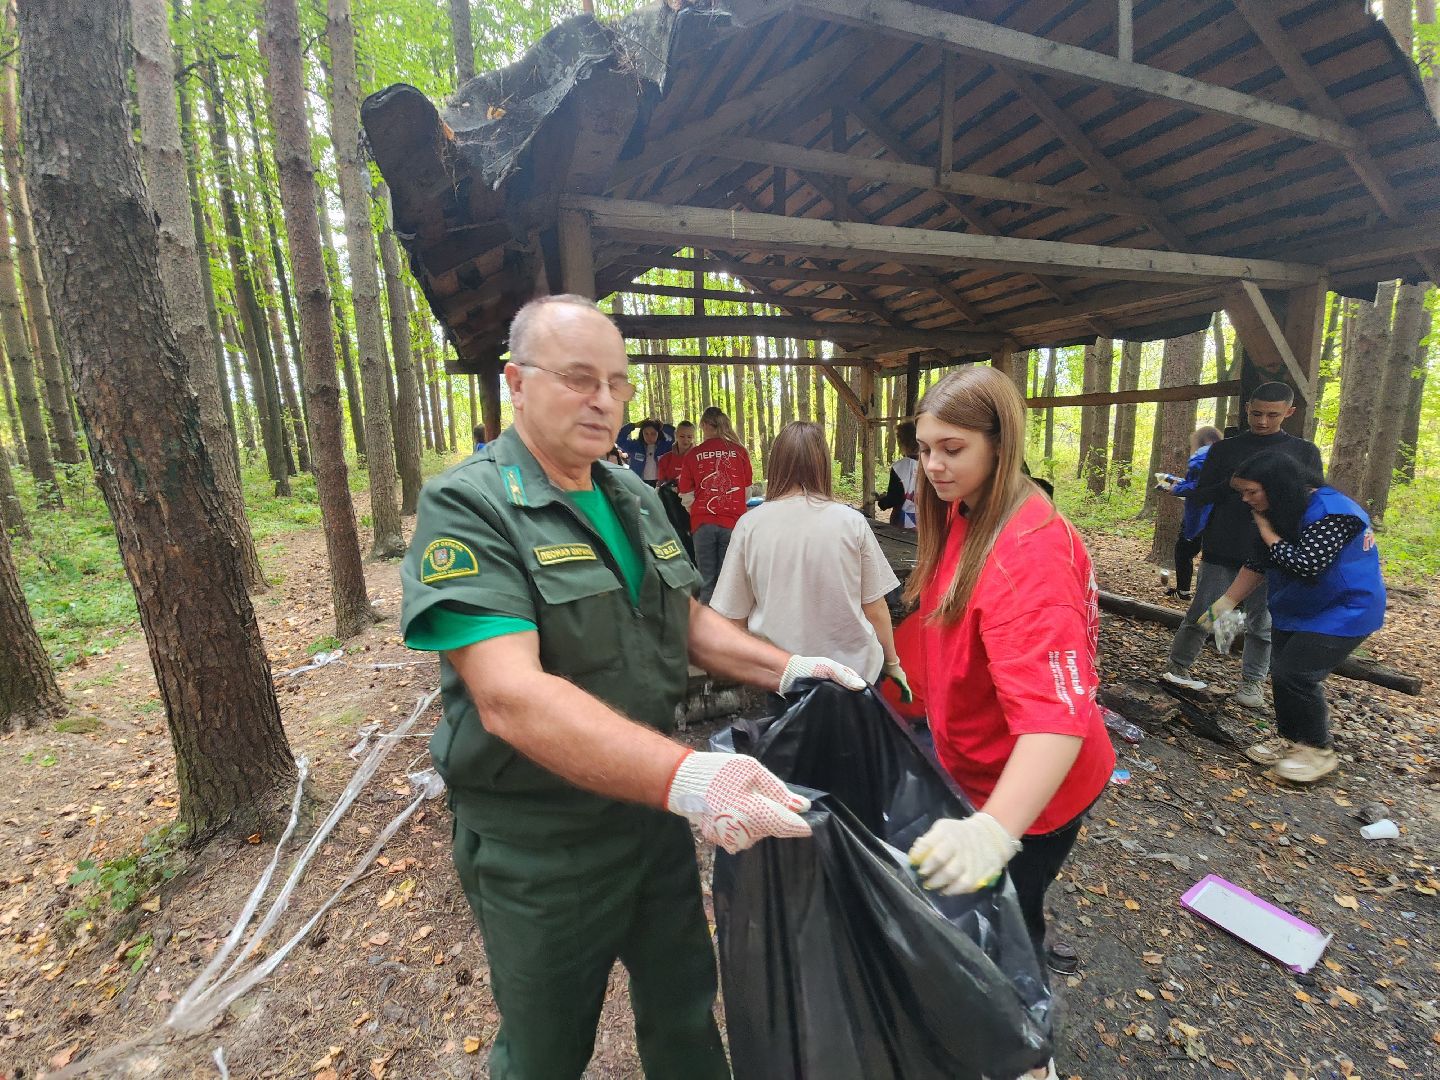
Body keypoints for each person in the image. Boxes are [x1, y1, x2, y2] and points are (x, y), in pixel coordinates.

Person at [400, 294, 865, 1079]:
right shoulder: (470, 505)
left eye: (617, 383)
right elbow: (509, 696)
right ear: (516, 381)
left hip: (651, 817)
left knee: (686, 1013)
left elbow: (683, 618)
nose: (604, 401)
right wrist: (691, 776)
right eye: (579, 378)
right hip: (539, 841)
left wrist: (785, 666)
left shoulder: (633, 496)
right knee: (545, 1051)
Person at [901, 367, 1114, 1080]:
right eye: (924, 448)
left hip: (1032, 790)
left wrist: (994, 831)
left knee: (1006, 930)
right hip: (976, 762)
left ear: (1001, 442)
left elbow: (1058, 719)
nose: (933, 466)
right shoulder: (971, 511)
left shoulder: (1027, 558)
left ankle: (1026, 1056)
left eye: (952, 448)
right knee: (988, 919)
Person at [1198, 451, 1385, 784]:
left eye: (1251, 491)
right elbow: (1259, 562)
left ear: (1277, 486)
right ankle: (1290, 741)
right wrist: (1225, 603)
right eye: (1242, 492)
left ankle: (1317, 752)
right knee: (1281, 671)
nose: (1245, 499)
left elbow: (1307, 564)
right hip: (1298, 607)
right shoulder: (1281, 509)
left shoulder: (1333, 512)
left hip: (1345, 609)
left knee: (1297, 674)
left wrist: (1268, 532)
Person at [711, 421, 909, 694]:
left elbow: (733, 617)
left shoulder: (749, 525)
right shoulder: (851, 522)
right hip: (855, 676)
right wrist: (892, 662)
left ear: (776, 465)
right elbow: (874, 607)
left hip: (783, 677)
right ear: (823, 464)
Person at [1161, 383, 1323, 709]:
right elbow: (1203, 494)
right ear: (1247, 408)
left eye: (1273, 415)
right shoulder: (1224, 450)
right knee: (1205, 612)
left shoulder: (1304, 452)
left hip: (1274, 550)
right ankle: (1177, 667)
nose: (1263, 421)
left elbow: (1314, 498)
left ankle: (1252, 681)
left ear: (1289, 412)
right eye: (1257, 413)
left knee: (1262, 623)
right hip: (1225, 545)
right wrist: (1232, 485)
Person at [680, 406, 752, 604]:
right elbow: (746, 491)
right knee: (729, 582)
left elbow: (685, 493)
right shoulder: (739, 452)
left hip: (702, 523)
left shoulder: (693, 454)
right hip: (733, 523)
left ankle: (707, 620)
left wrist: (697, 511)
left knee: (706, 581)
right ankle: (727, 621)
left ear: (703, 425)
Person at [1156, 426, 1223, 600]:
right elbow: (1198, 482)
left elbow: (1199, 486)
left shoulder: (1203, 455)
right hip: (1212, 514)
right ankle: (1191, 592)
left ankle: (1186, 592)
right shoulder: (1221, 456)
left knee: (1184, 550)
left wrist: (1176, 489)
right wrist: (1177, 482)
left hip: (1200, 514)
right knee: (1193, 552)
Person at [876, 420, 920, 529]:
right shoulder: (931, 464)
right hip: (926, 521)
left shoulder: (899, 467)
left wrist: (882, 502)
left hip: (902, 521)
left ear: (902, 442)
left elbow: (895, 498)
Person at [617, 417, 675, 486]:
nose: (649, 437)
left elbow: (677, 436)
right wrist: (633, 426)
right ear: (642, 433)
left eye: (653, 433)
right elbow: (619, 439)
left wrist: (665, 427)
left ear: (658, 433)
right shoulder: (635, 447)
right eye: (646, 433)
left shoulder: (665, 447)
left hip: (661, 483)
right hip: (639, 483)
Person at [657, 419, 695, 485]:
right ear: (675, 435)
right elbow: (660, 484)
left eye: (689, 437)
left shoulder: (699, 458)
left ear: (693, 437)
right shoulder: (664, 459)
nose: (685, 440)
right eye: (682, 436)